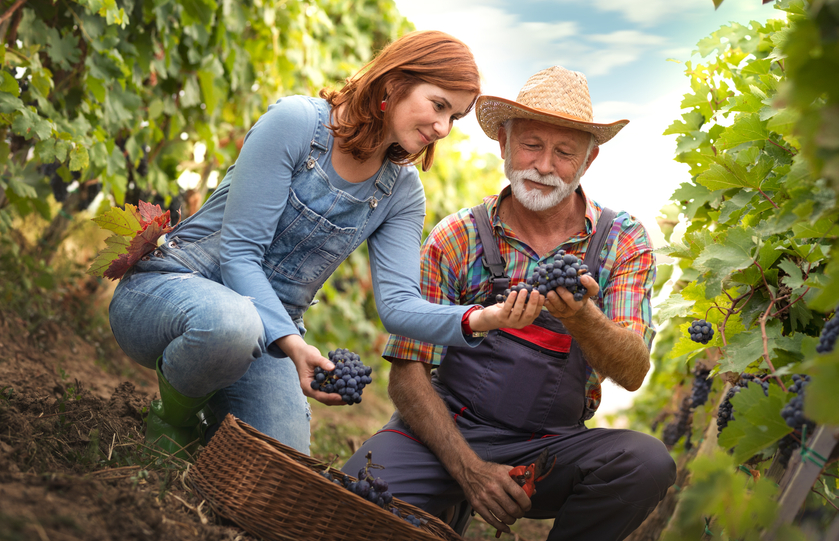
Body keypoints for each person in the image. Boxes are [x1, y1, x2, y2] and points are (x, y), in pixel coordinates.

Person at [106, 30, 543, 459]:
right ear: (395, 83)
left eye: (455, 117)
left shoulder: (402, 192)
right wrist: (295, 346)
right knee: (232, 325)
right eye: (439, 106)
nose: (444, 127)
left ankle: (208, 412)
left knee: (281, 466)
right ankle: (174, 418)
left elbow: (398, 306)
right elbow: (240, 255)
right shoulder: (296, 124)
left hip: (267, 336)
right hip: (170, 293)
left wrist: (484, 318)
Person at [341, 66, 676, 541]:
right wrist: (470, 471)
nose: (543, 166)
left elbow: (633, 369)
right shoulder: (457, 238)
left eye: (564, 153)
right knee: (352, 504)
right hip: (446, 435)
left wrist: (583, 318)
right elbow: (408, 372)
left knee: (645, 463)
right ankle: (450, 497)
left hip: (548, 448)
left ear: (589, 160)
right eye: (532, 145)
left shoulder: (621, 241)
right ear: (504, 142)